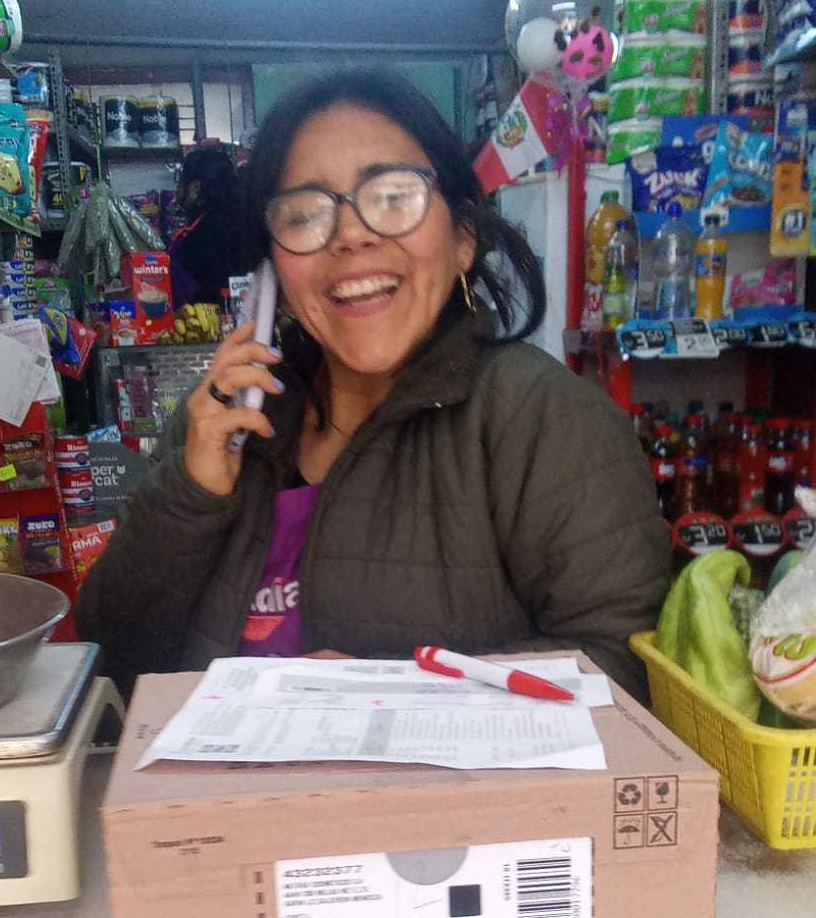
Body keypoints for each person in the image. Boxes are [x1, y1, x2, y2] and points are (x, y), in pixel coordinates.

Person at [78, 68, 670, 701]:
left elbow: (625, 672)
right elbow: (112, 662)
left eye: (393, 197)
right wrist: (189, 496)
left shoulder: (546, 421)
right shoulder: (224, 422)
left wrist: (388, 693)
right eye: (305, 214)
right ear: (273, 270)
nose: (351, 235)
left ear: (462, 238)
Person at [169, 144, 243, 308]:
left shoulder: (198, 235)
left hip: (201, 320)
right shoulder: (243, 222)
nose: (177, 189)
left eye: (180, 182)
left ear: (195, 188)